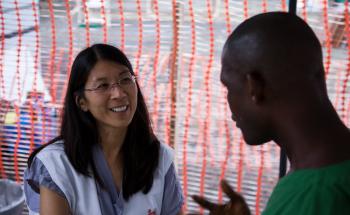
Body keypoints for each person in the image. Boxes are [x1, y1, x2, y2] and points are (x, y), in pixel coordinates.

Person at [192, 12, 350, 215]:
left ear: (254, 87)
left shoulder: (314, 198)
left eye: (229, 87)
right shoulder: (325, 174)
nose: (229, 104)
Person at [23, 44, 184, 215]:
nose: (119, 93)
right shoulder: (55, 165)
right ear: (81, 102)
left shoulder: (159, 159)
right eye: (102, 86)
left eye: (125, 80)